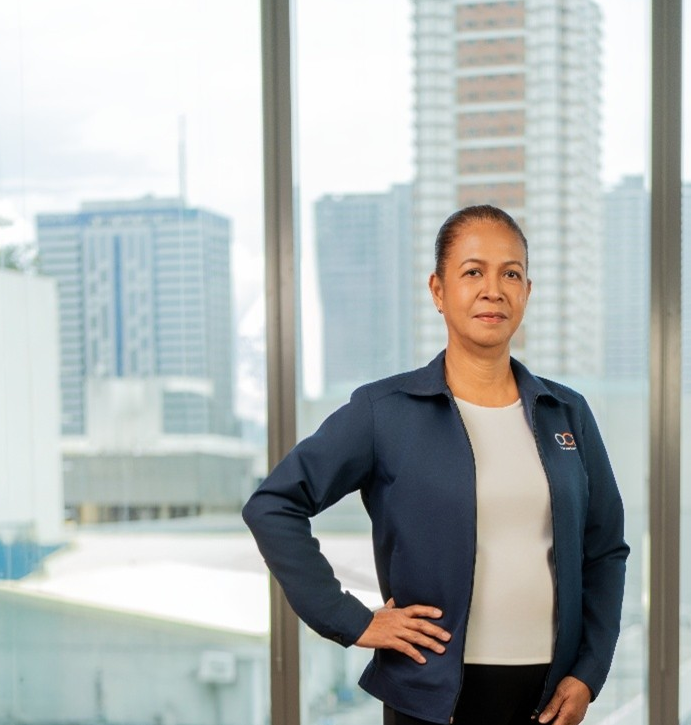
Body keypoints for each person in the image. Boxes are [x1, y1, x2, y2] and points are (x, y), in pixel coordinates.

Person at [243, 205, 629, 725]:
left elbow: (605, 550)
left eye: (510, 274)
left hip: (549, 698)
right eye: (473, 272)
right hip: (430, 698)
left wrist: (589, 671)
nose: (493, 290)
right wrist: (350, 619)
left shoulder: (567, 412)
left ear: (527, 292)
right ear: (438, 291)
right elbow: (273, 505)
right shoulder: (385, 412)